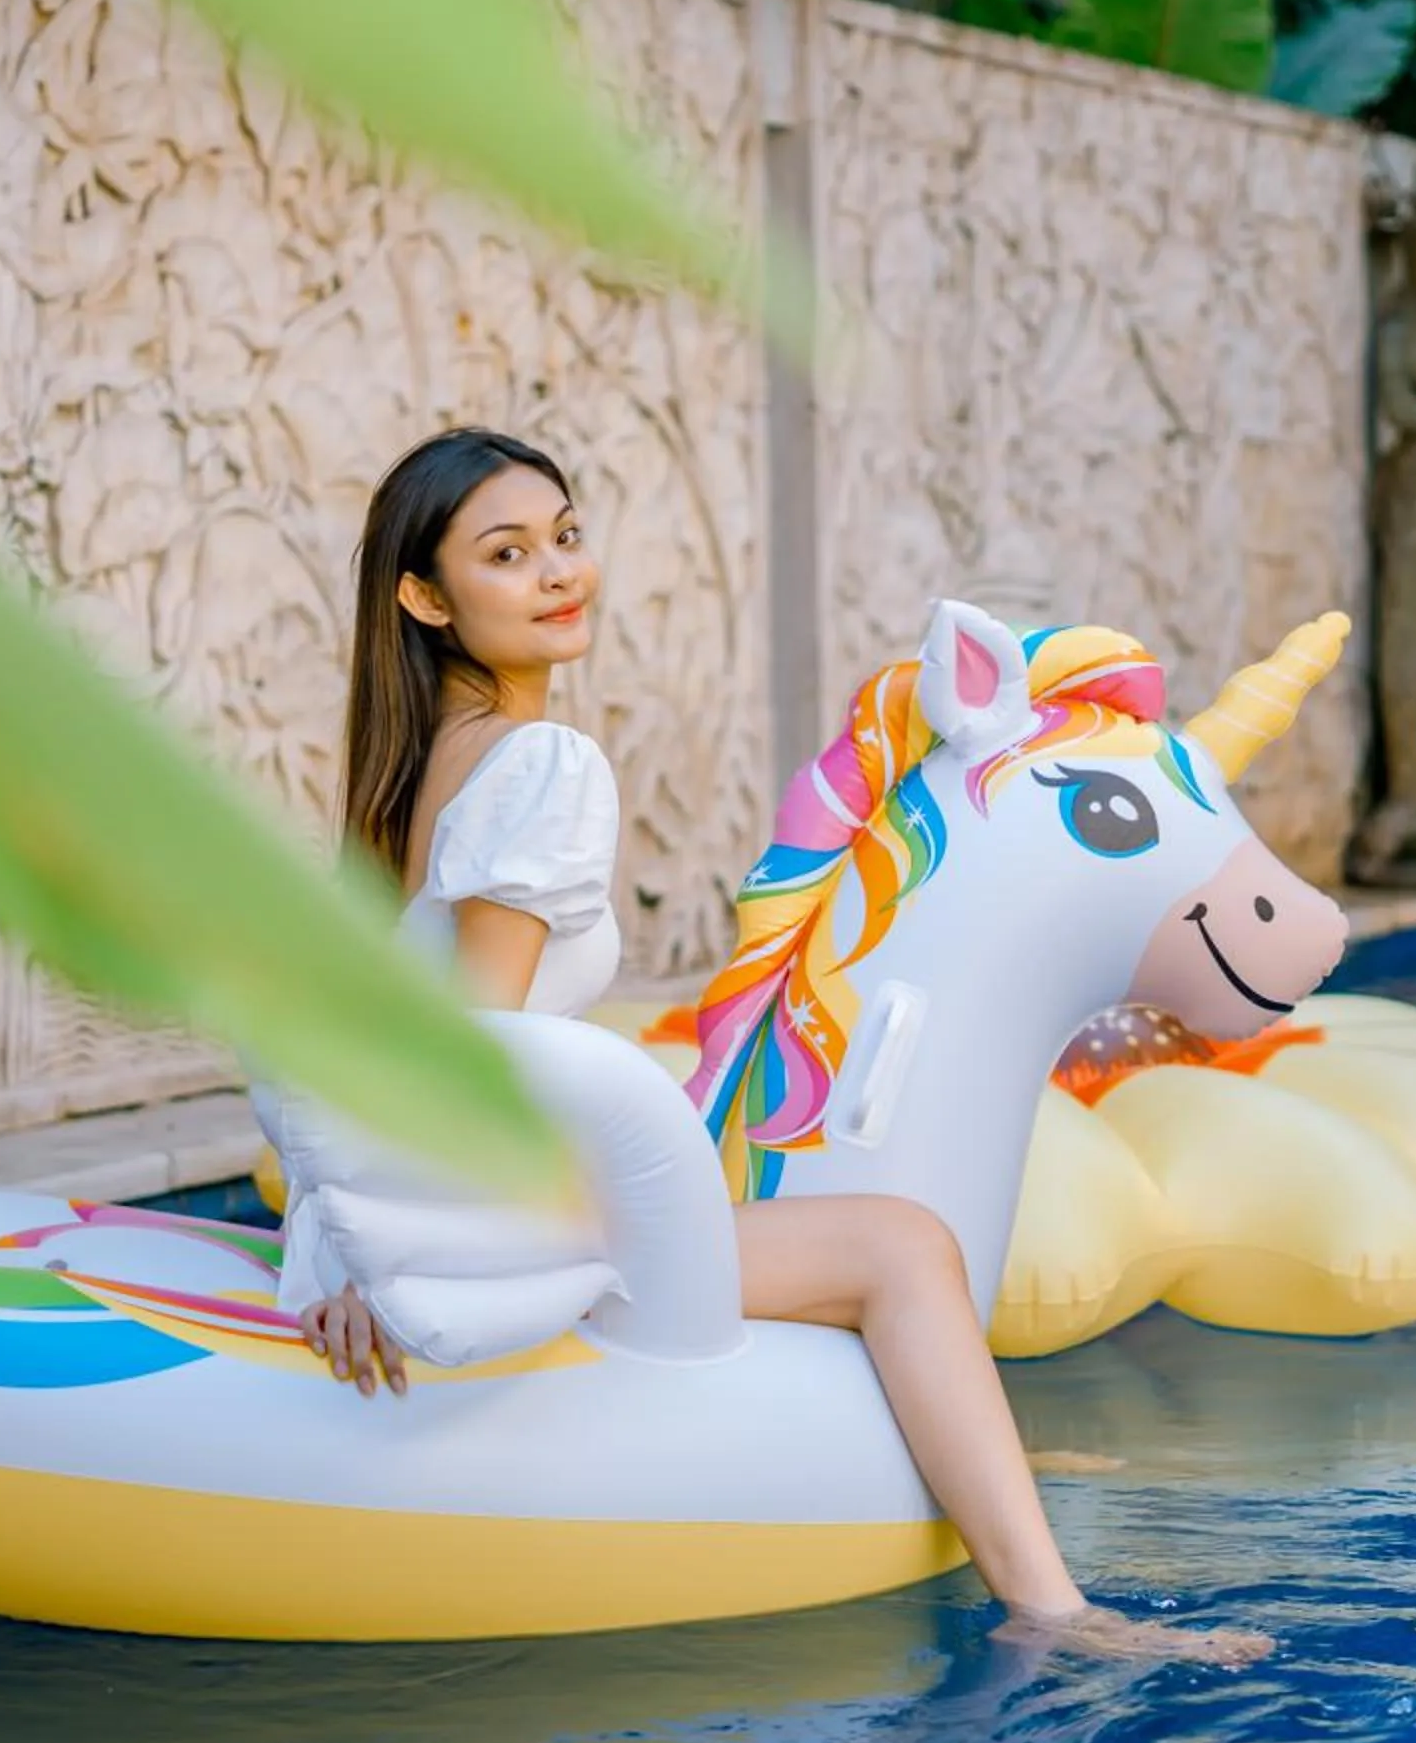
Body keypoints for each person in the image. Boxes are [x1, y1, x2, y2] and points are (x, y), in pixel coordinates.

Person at [294, 426, 1271, 1667]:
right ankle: (1059, 1613)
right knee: (905, 1244)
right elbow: (482, 1049)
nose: (557, 572)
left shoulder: (407, 774)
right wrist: (409, 1258)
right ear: (426, 597)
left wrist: (350, 1230)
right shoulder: (543, 762)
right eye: (507, 553)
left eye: (566, 534)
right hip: (497, 1204)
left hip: (436, 1192)